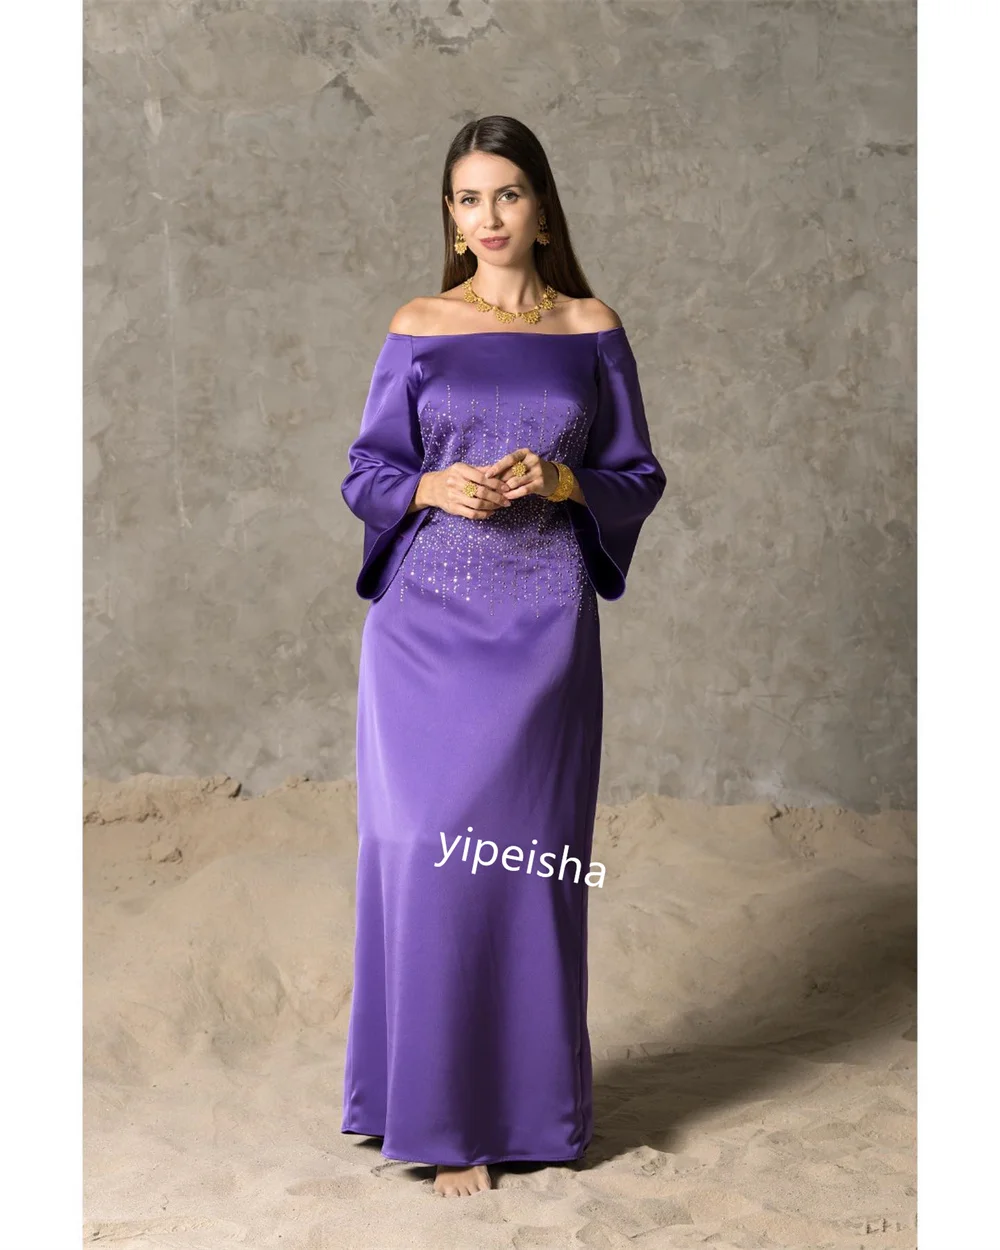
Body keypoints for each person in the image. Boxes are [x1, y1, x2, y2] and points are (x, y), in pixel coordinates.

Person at [339, 115, 666, 1198]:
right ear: (450, 215)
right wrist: (431, 484)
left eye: (508, 194)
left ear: (542, 208)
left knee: (526, 866)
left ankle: (524, 1112)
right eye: (468, 198)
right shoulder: (419, 324)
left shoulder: (591, 327)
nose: (488, 217)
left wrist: (564, 481)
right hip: (424, 629)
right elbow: (367, 473)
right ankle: (437, 1118)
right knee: (428, 854)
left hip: (543, 626)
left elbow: (637, 475)